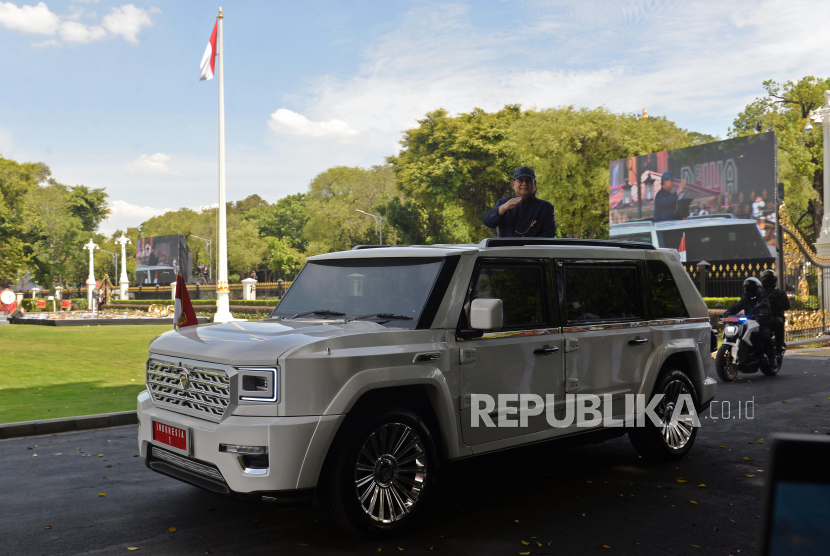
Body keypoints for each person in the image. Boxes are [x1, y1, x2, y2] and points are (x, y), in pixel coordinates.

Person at [482, 166, 556, 238]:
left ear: (535, 184)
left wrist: (530, 245)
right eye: (520, 180)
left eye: (528, 180)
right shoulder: (503, 203)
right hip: (507, 249)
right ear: (513, 184)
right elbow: (487, 222)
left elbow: (550, 233)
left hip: (533, 249)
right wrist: (504, 208)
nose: (524, 183)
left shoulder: (545, 207)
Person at [722, 277, 776, 367]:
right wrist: (727, 313)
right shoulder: (745, 299)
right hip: (750, 321)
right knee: (740, 333)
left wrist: (760, 314)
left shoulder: (763, 297)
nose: (749, 290)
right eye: (747, 288)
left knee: (764, 336)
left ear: (757, 289)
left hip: (763, 322)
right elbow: (737, 307)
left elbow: (765, 307)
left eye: (751, 288)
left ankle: (772, 358)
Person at [760, 269, 790, 356]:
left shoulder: (780, 293)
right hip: (762, 318)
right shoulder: (760, 293)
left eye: (769, 280)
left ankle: (779, 345)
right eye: (766, 280)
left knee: (778, 322)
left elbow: (787, 306)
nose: (767, 282)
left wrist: (775, 303)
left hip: (775, 316)